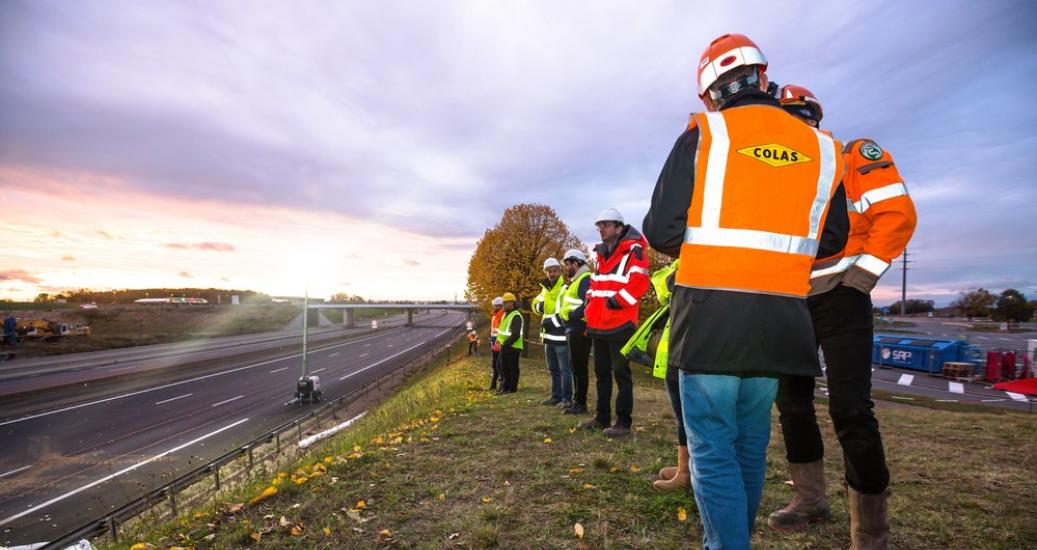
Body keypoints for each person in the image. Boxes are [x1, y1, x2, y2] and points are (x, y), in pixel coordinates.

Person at [642, 33, 848, 549]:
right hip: (782, 318)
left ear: (710, 92)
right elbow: (833, 237)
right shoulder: (822, 147)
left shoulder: (705, 133)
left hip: (711, 315)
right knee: (751, 443)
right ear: (762, 76)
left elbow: (663, 230)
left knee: (712, 447)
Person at [768, 84, 916, 548]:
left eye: (797, 116)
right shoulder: (775, 175)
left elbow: (896, 214)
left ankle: (871, 533)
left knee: (850, 409)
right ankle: (810, 501)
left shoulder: (854, 155)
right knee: (791, 407)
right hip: (791, 302)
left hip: (842, 297)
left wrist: (860, 279)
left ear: (813, 117)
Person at [580, 208, 649, 437]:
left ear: (619, 227)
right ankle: (601, 417)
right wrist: (590, 304)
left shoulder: (634, 250)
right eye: (598, 225)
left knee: (621, 374)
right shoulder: (600, 253)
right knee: (601, 374)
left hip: (620, 323)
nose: (601, 228)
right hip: (598, 324)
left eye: (605, 224)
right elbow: (595, 283)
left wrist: (615, 303)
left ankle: (623, 422)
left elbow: (639, 284)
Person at [532, 258, 574, 407]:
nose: (552, 273)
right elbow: (534, 304)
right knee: (553, 370)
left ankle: (567, 399)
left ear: (559, 271)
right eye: (549, 271)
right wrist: (539, 307)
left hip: (561, 336)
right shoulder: (545, 289)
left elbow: (566, 311)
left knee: (565, 370)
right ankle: (555, 396)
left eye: (555, 270)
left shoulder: (565, 288)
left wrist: (552, 322)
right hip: (548, 337)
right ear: (546, 272)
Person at [559, 249, 592, 415]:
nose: (566, 267)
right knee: (575, 366)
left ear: (576, 263)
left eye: (568, 263)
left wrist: (571, 315)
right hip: (573, 328)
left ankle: (581, 404)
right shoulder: (577, 280)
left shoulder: (585, 279)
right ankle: (577, 401)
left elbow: (588, 305)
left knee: (579, 367)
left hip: (579, 328)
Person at [495, 292, 524, 394]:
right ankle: (505, 386)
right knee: (502, 367)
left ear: (512, 303)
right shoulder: (506, 314)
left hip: (512, 346)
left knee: (512, 368)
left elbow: (515, 334)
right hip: (505, 346)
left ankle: (511, 388)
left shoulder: (516, 315)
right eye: (503, 302)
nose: (504, 305)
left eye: (506, 302)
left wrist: (506, 344)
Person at [488, 296, 505, 390]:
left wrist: (498, 342)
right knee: (494, 364)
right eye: (494, 305)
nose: (495, 307)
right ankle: (493, 384)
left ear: (501, 306)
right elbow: (493, 329)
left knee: (499, 364)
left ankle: (502, 383)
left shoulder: (503, 316)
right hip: (494, 341)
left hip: (500, 342)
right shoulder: (494, 316)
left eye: (497, 306)